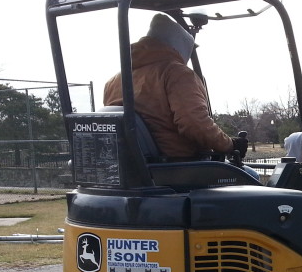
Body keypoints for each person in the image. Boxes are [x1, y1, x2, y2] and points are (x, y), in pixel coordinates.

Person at [104, 13, 252, 171]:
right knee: (249, 177)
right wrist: (230, 144)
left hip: (135, 170)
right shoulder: (176, 73)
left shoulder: (114, 82)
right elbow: (194, 123)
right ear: (178, 48)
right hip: (178, 168)